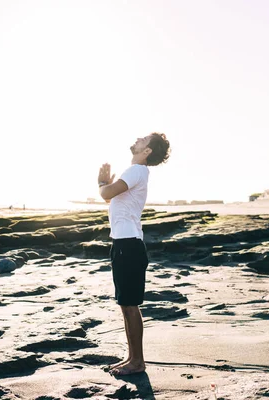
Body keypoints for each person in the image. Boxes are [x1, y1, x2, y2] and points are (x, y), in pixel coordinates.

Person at [97, 132, 170, 376]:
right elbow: (115, 201)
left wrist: (101, 183)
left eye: (144, 139)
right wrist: (107, 186)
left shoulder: (136, 170)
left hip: (128, 245)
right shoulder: (138, 173)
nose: (138, 139)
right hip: (124, 242)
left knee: (130, 305)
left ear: (147, 150)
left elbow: (107, 194)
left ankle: (137, 362)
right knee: (126, 304)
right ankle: (132, 358)